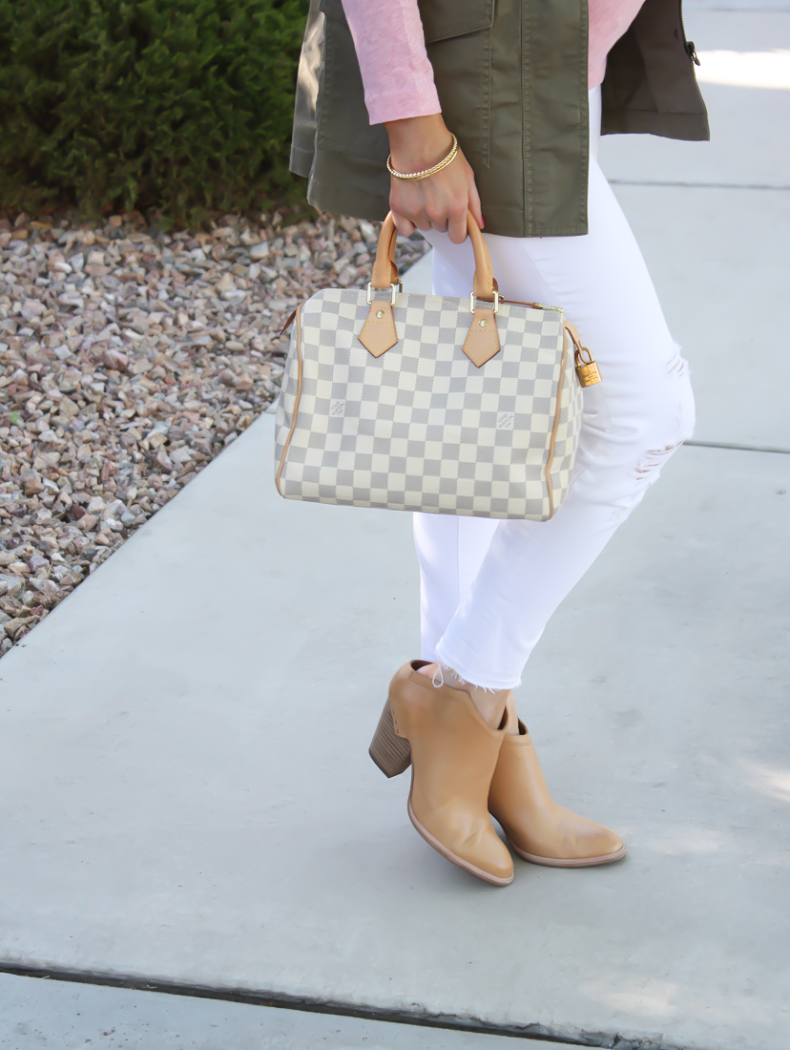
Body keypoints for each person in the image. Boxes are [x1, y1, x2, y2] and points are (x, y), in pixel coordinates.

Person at [290, 0, 708, 886]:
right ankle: (466, 692)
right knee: (644, 413)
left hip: (538, 67)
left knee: (474, 436)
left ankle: (479, 747)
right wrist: (417, 131)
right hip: (488, 84)